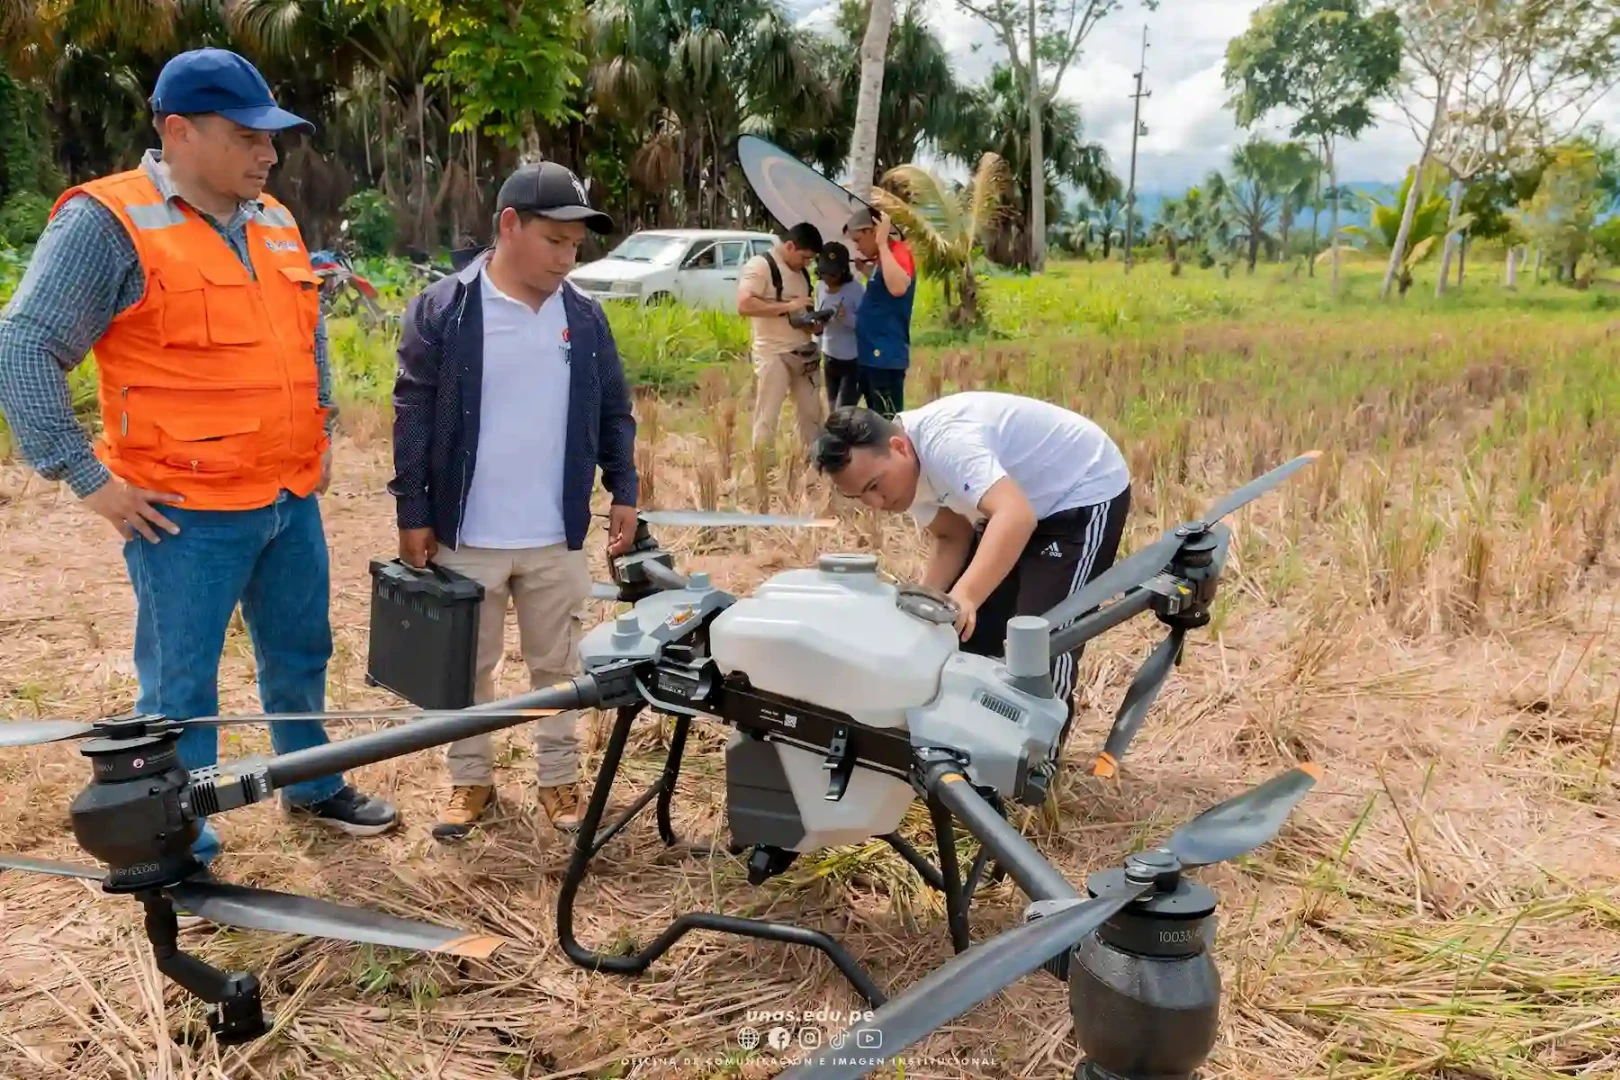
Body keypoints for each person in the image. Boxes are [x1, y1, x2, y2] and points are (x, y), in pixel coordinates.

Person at [0, 48, 399, 867]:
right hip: (184, 514)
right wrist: (87, 479)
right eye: (248, 136)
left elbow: (307, 330)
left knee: (300, 651)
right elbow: (24, 346)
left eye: (272, 138)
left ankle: (313, 785)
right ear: (178, 132)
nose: (269, 153)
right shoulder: (109, 222)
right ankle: (178, 830)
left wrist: (320, 427)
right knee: (182, 686)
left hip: (288, 499)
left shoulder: (274, 218)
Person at [388, 161, 639, 842]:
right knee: (466, 666)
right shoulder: (447, 309)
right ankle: (470, 779)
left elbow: (615, 409)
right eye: (554, 240)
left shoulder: (583, 318)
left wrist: (625, 488)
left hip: (554, 532)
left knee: (557, 666)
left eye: (574, 245)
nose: (567, 256)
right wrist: (414, 511)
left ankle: (560, 781)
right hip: (467, 534)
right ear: (509, 226)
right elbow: (410, 411)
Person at [811, 393, 1131, 743]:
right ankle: (977, 748)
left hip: (1077, 494)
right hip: (1010, 506)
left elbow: (1015, 517)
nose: (877, 503)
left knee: (1041, 644)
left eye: (874, 486)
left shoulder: (947, 444)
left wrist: (966, 594)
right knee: (965, 635)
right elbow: (953, 535)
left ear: (899, 446)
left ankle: (1035, 766)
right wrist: (924, 605)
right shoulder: (902, 474)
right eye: (861, 497)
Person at [737, 221, 825, 453]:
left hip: (804, 351)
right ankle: (762, 469)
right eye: (805, 257)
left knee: (812, 416)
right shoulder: (761, 265)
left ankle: (813, 466)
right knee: (767, 416)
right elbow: (744, 304)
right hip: (773, 353)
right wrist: (788, 306)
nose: (807, 263)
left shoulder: (803, 273)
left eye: (811, 260)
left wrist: (814, 325)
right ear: (789, 246)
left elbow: (801, 312)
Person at [843, 207, 916, 418]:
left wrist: (883, 244)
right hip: (870, 355)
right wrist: (866, 270)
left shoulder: (897, 251)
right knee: (875, 419)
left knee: (887, 421)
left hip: (884, 356)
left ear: (871, 231)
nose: (857, 246)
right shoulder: (881, 258)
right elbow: (883, 285)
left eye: (858, 240)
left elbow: (898, 287)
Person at [814, 241, 864, 412]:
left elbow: (866, 326)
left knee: (842, 413)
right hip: (829, 358)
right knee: (832, 411)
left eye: (832, 275)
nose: (827, 279)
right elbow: (818, 322)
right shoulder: (819, 287)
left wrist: (846, 317)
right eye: (823, 274)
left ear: (843, 272)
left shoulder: (855, 290)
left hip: (852, 361)